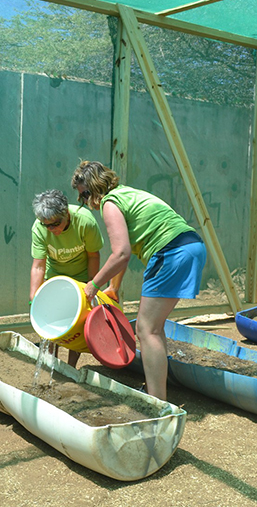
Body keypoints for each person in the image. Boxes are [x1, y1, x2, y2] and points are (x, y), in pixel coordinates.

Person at [71, 160, 207, 400]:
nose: (86, 202)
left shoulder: (110, 203)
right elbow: (125, 253)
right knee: (154, 327)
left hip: (170, 251)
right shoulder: (126, 194)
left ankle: (157, 401)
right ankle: (158, 392)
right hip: (190, 245)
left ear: (95, 187)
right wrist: (114, 287)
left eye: (85, 195)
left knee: (145, 329)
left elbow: (120, 254)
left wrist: (93, 285)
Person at [30, 189, 104, 367]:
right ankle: (52, 364)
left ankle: (71, 367)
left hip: (81, 274)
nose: (51, 229)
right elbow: (38, 265)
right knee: (51, 318)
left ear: (66, 213)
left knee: (78, 321)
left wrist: (92, 284)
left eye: (55, 224)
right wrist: (33, 297)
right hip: (55, 274)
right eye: (46, 225)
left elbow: (94, 255)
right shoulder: (39, 228)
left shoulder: (85, 221)